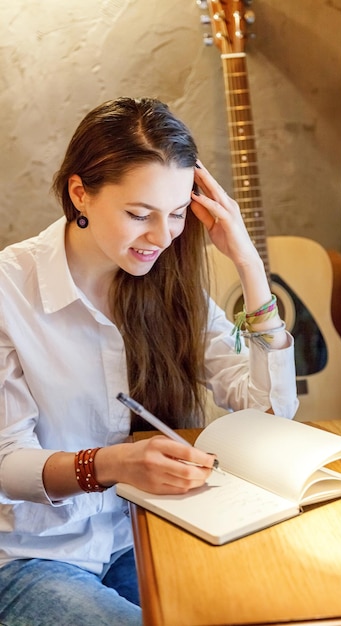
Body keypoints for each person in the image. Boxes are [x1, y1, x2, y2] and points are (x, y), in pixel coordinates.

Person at [0, 97, 298, 625]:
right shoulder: (9, 290)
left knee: (269, 605)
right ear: (79, 193)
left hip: (140, 532)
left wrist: (248, 262)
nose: (162, 237)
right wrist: (111, 465)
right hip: (30, 556)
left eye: (179, 213)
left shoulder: (169, 282)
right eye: (139, 215)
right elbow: (6, 466)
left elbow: (270, 411)